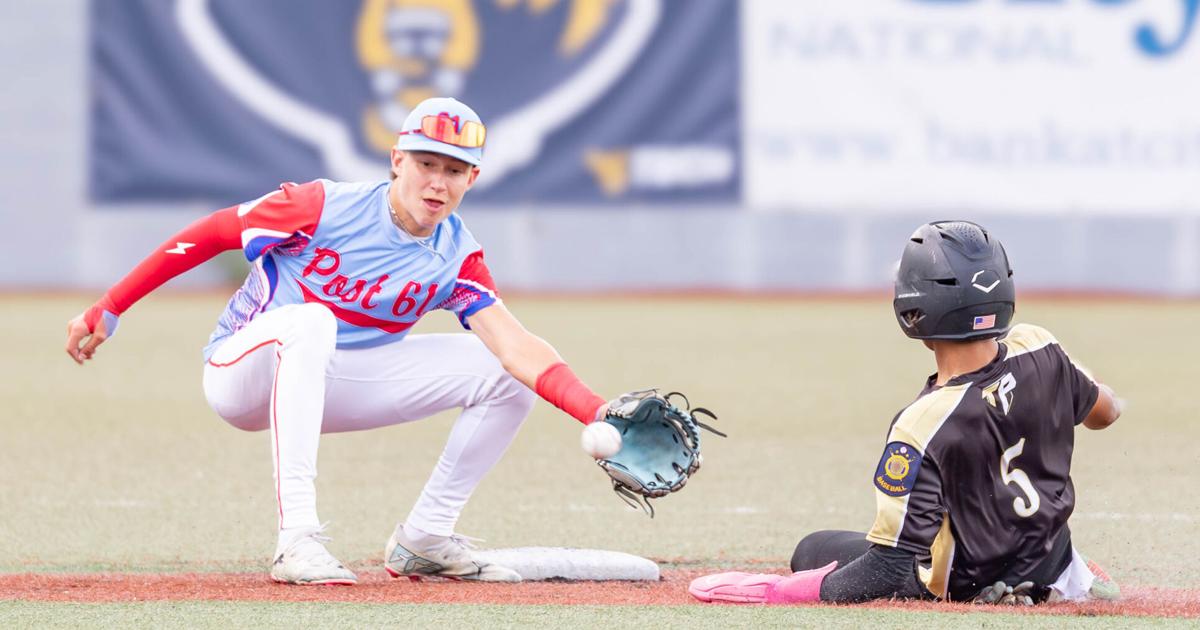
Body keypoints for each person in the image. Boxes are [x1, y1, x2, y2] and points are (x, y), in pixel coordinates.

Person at [65, 97, 627, 586]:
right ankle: (298, 539)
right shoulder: (321, 206)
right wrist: (111, 306)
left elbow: (517, 347)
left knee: (502, 373)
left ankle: (425, 539)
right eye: (426, 163)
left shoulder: (457, 256)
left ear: (472, 180)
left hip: (333, 381)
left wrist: (598, 410)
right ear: (396, 161)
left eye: (455, 170)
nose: (437, 181)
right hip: (241, 371)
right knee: (312, 322)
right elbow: (212, 233)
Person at [689, 220, 1123, 605]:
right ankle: (1069, 574)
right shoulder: (1040, 345)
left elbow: (890, 568)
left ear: (916, 309)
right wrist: (1062, 375)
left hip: (968, 582)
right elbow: (1105, 412)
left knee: (810, 552)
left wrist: (784, 592)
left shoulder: (923, 423)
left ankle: (1004, 588)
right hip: (1049, 560)